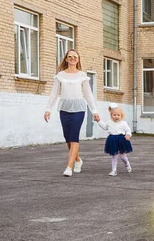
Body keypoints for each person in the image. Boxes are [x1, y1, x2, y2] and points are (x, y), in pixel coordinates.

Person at [44, 49, 100, 177]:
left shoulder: (82, 75)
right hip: (64, 108)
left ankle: (69, 167)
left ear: (78, 59)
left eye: (75, 56)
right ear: (66, 59)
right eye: (70, 56)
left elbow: (88, 94)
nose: (73, 58)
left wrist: (94, 110)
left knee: (74, 136)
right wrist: (48, 109)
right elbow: (54, 93)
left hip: (79, 108)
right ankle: (78, 160)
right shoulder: (60, 75)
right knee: (67, 138)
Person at [97, 103, 133, 176]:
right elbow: (104, 127)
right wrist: (99, 121)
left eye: (118, 115)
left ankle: (127, 163)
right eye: (114, 115)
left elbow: (128, 130)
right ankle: (114, 170)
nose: (116, 117)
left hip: (121, 140)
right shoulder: (109, 122)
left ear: (121, 115)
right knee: (114, 156)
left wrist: (128, 135)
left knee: (123, 156)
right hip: (112, 140)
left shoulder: (123, 123)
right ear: (111, 115)